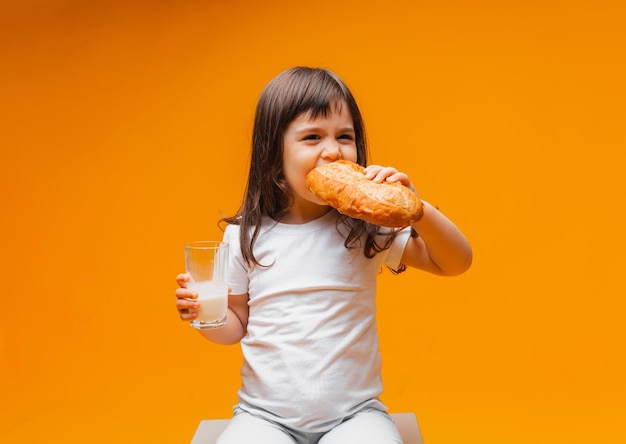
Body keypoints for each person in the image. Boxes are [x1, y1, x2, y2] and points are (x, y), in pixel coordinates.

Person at [175, 66, 472, 444]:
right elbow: (237, 326)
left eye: (344, 137)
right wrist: (205, 313)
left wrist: (417, 207)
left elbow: (455, 262)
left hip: (354, 416)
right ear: (273, 154)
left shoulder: (363, 226)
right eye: (312, 137)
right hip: (265, 417)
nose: (332, 150)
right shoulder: (246, 235)